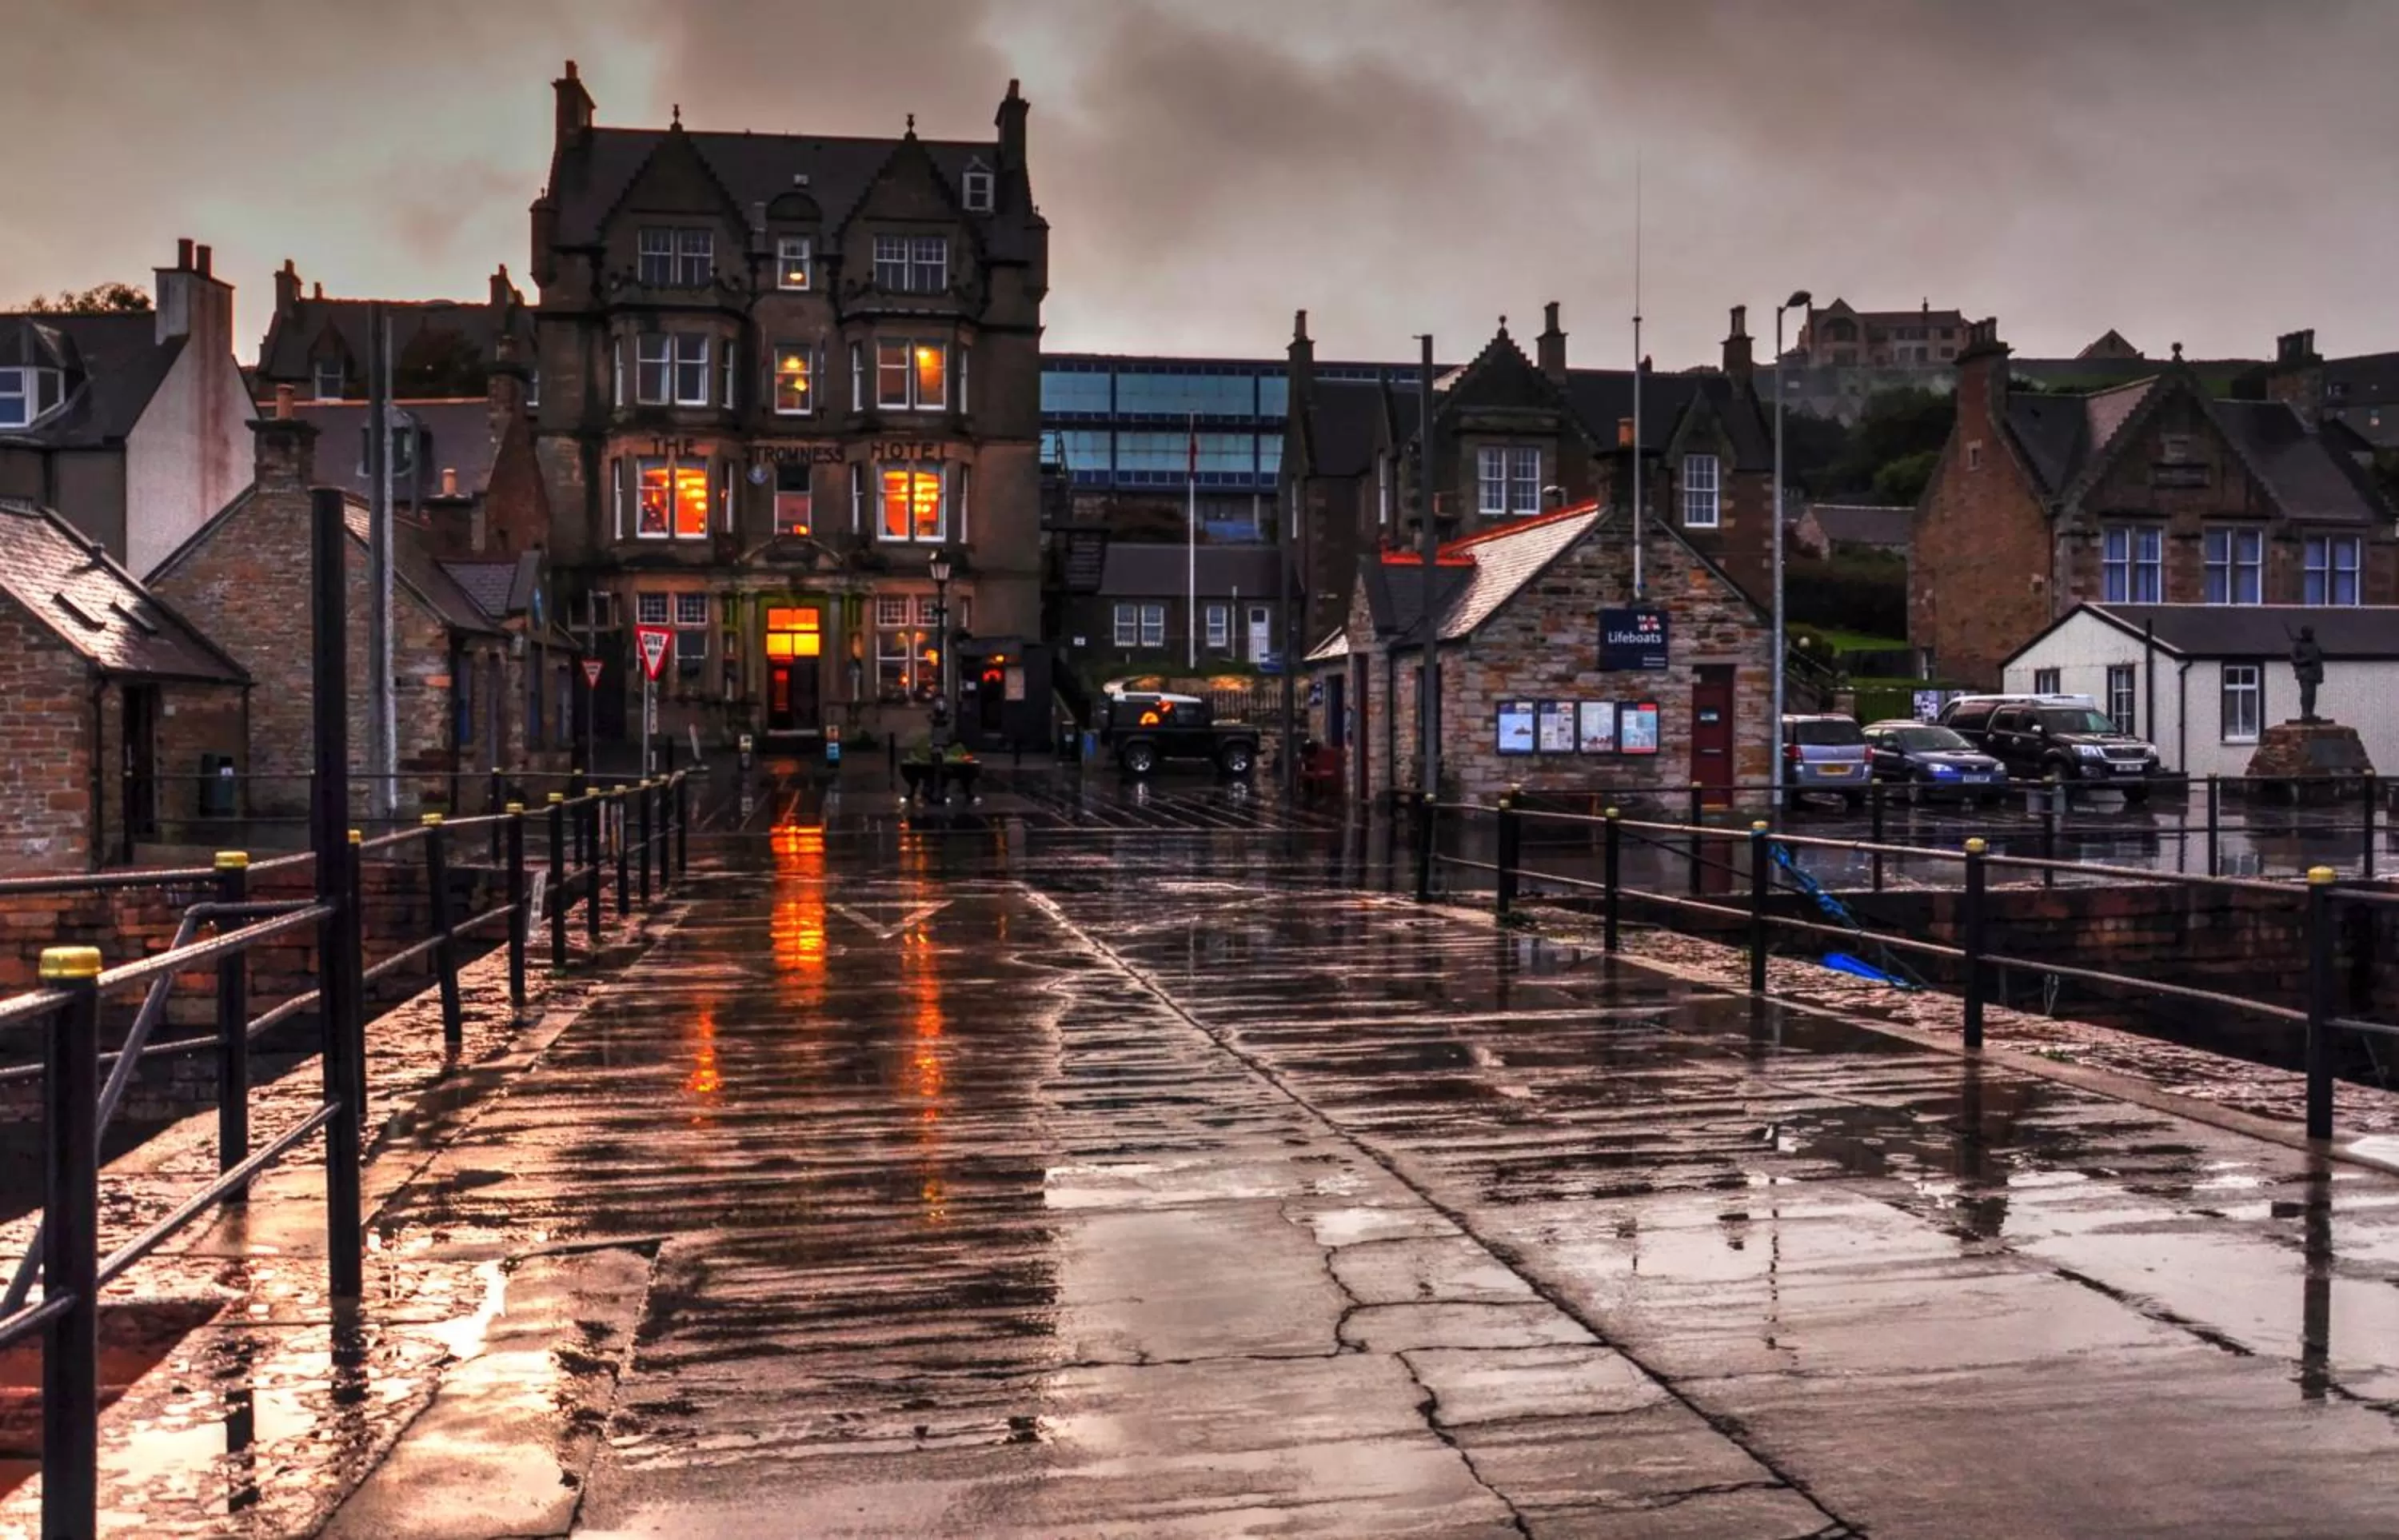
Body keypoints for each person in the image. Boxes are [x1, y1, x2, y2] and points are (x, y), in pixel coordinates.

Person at [2290, 626, 2325, 724]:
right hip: (2304, 673)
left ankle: (2310, 713)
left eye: (2312, 633)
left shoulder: (2314, 643)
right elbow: (2294, 659)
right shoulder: (2298, 645)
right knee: (2306, 693)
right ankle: (2305, 713)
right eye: (2309, 633)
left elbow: (2318, 659)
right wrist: (2305, 661)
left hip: (2314, 673)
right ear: (2304, 634)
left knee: (2313, 695)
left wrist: (2320, 674)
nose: (2311, 635)